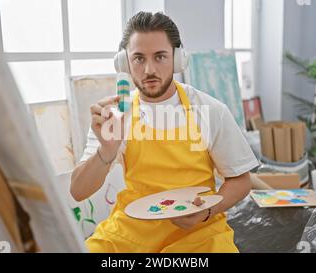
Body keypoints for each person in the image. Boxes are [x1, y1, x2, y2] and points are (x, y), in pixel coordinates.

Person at [70, 11, 259, 253]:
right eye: (138, 58)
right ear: (125, 63)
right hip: (130, 232)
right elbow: (78, 191)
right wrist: (106, 151)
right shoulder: (116, 116)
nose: (149, 69)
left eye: (160, 57)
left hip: (200, 233)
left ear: (178, 59)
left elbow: (240, 180)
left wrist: (208, 211)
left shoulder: (210, 110)